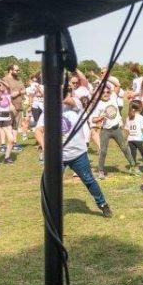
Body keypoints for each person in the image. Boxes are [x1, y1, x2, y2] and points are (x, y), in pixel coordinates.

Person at [58, 81, 113, 217]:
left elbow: (66, 99)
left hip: (78, 154)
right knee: (50, 184)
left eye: (69, 89)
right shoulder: (50, 108)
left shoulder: (76, 104)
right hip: (58, 155)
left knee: (88, 180)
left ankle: (103, 204)